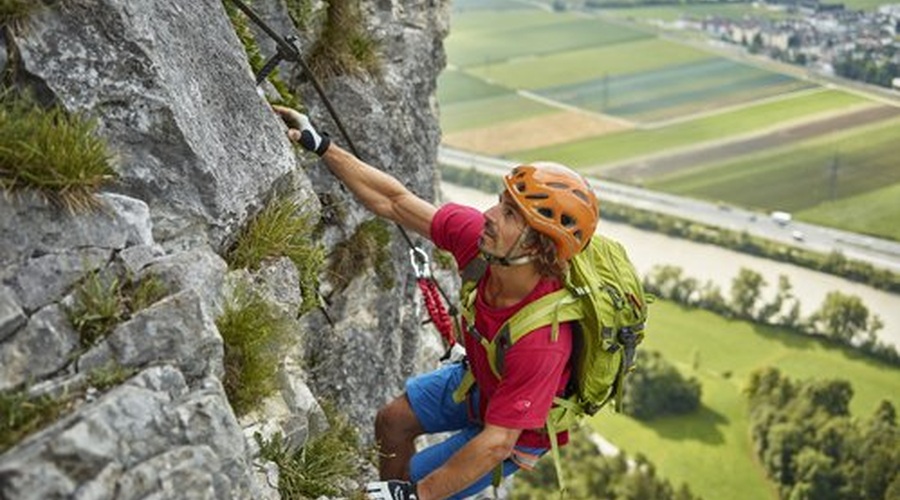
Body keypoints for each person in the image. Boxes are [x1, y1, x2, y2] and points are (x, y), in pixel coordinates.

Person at [273, 106, 599, 500]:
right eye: (501, 201)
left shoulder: (544, 341)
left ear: (537, 245)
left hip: (517, 428)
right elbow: (393, 201)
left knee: (416, 482)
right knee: (392, 422)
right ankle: (388, 490)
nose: (490, 215)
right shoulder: (482, 243)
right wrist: (322, 146)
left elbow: (498, 441)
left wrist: (416, 495)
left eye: (510, 214)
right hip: (483, 379)